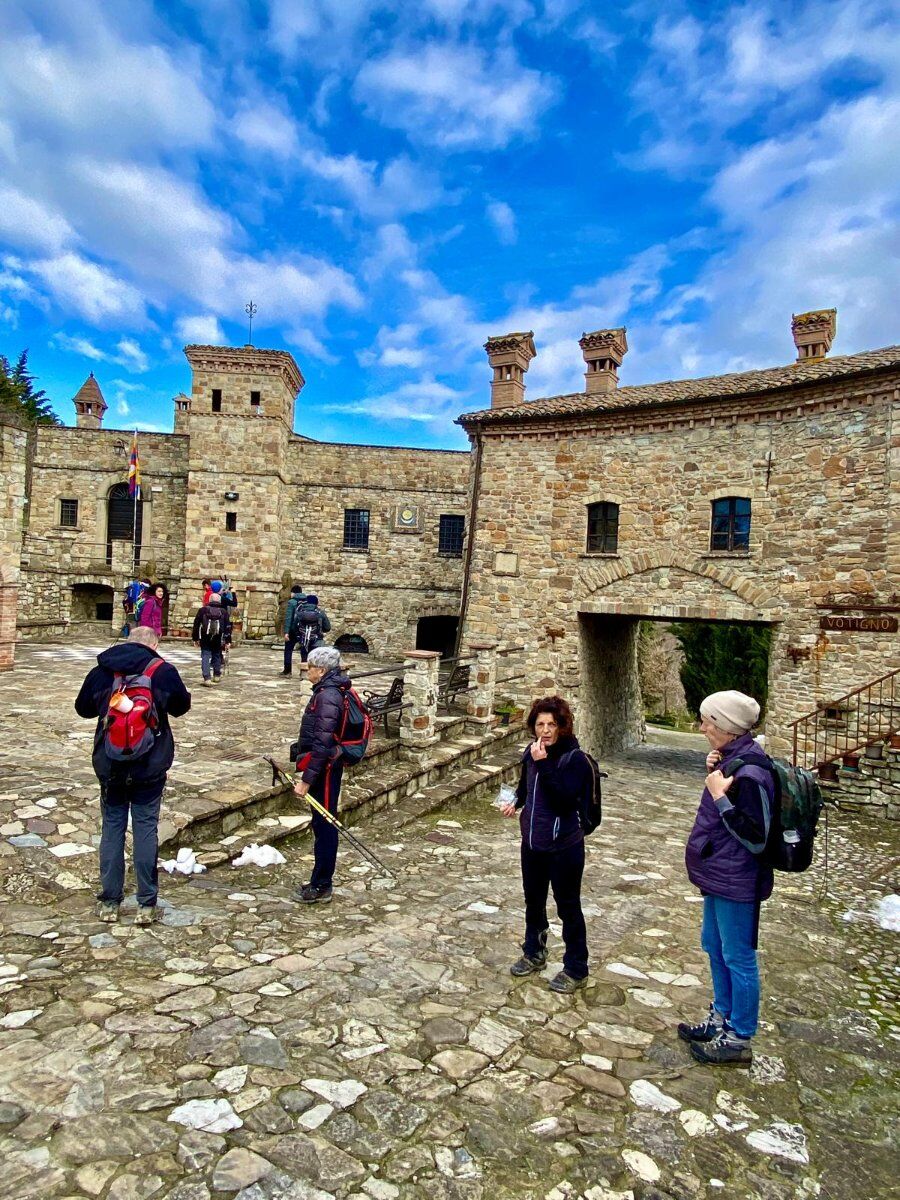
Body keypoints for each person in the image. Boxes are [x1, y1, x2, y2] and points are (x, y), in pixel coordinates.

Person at [681, 690, 775, 1066]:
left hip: (739, 879)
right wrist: (716, 773)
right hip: (720, 874)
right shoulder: (734, 761)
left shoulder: (752, 772)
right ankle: (720, 1017)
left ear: (725, 727)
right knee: (714, 946)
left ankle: (739, 1036)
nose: (702, 726)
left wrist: (720, 796)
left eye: (708, 721)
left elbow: (755, 835)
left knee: (738, 956)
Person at [74, 625, 191, 924]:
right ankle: (146, 903)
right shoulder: (161, 671)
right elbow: (181, 706)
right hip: (149, 765)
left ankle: (110, 902)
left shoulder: (103, 670)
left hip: (110, 763)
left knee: (112, 828)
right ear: (154, 644)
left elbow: (83, 709)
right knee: (145, 828)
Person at [501, 695, 594, 994]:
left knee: (568, 906)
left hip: (564, 846)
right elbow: (526, 787)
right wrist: (515, 802)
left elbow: (565, 800)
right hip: (532, 841)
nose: (545, 730)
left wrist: (543, 765)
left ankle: (576, 967)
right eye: (540, 724)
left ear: (563, 726)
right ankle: (534, 951)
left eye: (552, 724)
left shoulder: (574, 759)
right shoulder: (533, 753)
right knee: (533, 900)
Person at [292, 645, 352, 903]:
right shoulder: (329, 690)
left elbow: (323, 742)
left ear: (322, 670)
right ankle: (319, 879)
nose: (307, 669)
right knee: (321, 824)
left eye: (311, 666)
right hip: (324, 766)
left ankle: (322, 885)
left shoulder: (328, 696)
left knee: (325, 825)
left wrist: (307, 779)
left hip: (325, 770)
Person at [288, 593, 331, 673]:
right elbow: (327, 627)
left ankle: (303, 675)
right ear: (316, 603)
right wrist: (321, 630)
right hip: (317, 640)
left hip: (304, 640)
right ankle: (315, 676)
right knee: (316, 660)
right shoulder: (320, 613)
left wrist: (299, 634)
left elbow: (294, 627)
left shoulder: (300, 612)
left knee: (304, 659)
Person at [191, 592, 225, 686]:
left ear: (210, 600)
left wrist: (195, 638)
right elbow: (227, 627)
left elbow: (196, 625)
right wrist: (228, 640)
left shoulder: (203, 610)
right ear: (219, 600)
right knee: (217, 654)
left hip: (205, 637)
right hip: (217, 637)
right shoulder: (223, 611)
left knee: (205, 656)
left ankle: (207, 678)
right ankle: (217, 675)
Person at [281, 584, 307, 676]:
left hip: (293, 630)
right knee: (304, 651)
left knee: (288, 649)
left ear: (293, 593)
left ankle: (287, 671)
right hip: (304, 630)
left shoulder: (291, 602)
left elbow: (288, 618)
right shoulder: (307, 601)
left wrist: (286, 632)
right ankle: (303, 671)